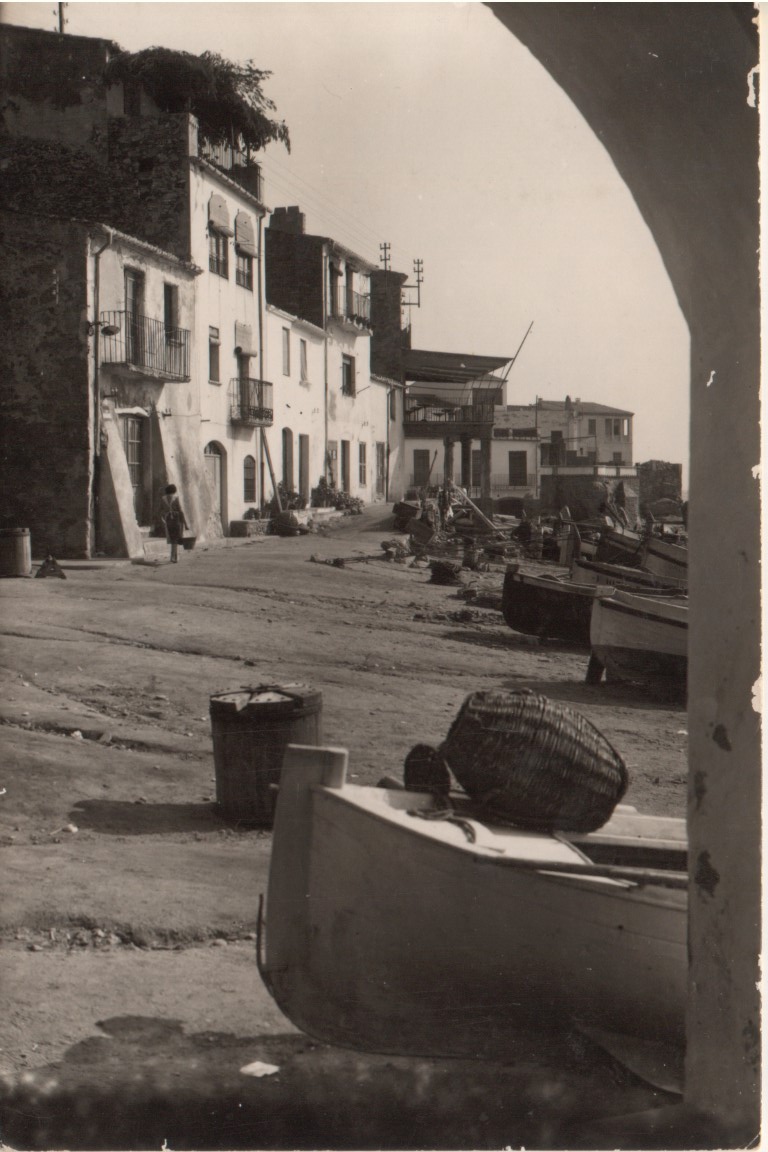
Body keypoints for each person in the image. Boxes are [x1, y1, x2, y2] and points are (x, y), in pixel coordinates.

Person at [159, 484, 188, 563]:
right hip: (176, 519)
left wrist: (163, 519)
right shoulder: (176, 498)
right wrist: (185, 523)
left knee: (172, 538)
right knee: (175, 539)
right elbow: (180, 511)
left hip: (168, 519)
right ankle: (174, 557)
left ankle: (174, 556)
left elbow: (161, 511)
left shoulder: (163, 499)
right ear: (174, 491)